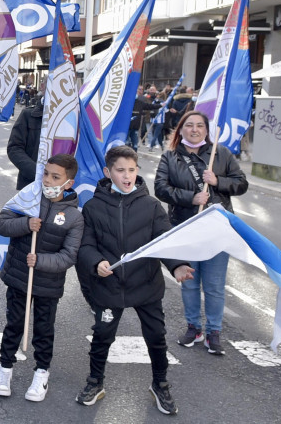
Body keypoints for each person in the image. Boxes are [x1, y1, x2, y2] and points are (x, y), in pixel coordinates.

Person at [75, 146, 193, 414]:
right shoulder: (93, 207)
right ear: (108, 172)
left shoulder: (151, 206)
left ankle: (160, 384)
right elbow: (85, 245)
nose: (127, 176)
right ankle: (95, 382)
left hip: (147, 285)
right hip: (108, 285)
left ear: (137, 171)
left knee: (156, 336)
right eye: (120, 170)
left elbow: (165, 241)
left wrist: (177, 266)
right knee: (102, 336)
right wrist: (96, 262)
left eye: (131, 170)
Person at [154, 110, 248, 355]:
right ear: (181, 129)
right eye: (189, 125)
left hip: (217, 229)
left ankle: (213, 331)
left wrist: (218, 181)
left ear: (207, 131)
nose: (194, 130)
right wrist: (190, 197)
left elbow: (241, 183)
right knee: (190, 283)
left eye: (199, 126)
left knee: (215, 285)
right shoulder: (170, 157)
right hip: (185, 227)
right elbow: (160, 188)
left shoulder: (222, 154)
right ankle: (193, 326)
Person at [0, 154, 84, 402]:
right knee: (14, 325)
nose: (47, 180)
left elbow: (69, 256)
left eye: (56, 177)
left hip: (48, 285)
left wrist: (40, 261)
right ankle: (5, 371)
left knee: (43, 330)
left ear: (69, 183)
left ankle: (41, 373)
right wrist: (26, 224)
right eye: (46, 174)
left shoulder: (75, 217)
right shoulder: (30, 196)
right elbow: (0, 224)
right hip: (19, 277)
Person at [7, 99, 43, 190]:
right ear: (43, 86)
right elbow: (14, 148)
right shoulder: (28, 114)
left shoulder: (73, 117)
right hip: (30, 185)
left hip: (63, 188)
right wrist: (37, 173)